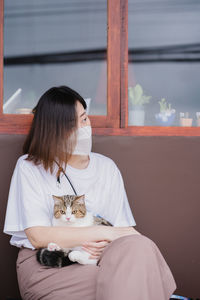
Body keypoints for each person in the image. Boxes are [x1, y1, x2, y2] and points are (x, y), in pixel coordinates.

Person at [3, 86, 176, 300]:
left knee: (140, 247)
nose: (83, 128)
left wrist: (106, 244)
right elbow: (38, 236)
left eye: (84, 119)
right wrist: (107, 233)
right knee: (137, 281)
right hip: (50, 263)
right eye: (71, 125)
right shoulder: (30, 167)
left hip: (103, 258)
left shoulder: (107, 167)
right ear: (52, 130)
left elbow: (124, 235)